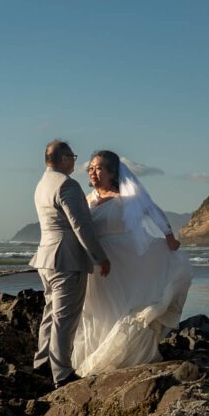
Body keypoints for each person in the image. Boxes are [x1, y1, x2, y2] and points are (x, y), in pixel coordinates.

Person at [71, 150, 193, 377]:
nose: (93, 173)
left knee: (119, 306)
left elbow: (155, 213)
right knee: (96, 310)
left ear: (112, 172)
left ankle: (122, 355)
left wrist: (170, 240)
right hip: (95, 262)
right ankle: (95, 355)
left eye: (99, 168)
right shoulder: (87, 200)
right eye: (90, 168)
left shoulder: (125, 199)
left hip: (121, 261)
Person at [30, 140, 111, 388]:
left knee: (51, 313)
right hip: (66, 258)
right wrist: (100, 257)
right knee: (65, 318)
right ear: (64, 159)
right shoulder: (68, 184)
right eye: (73, 157)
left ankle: (42, 363)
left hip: (46, 257)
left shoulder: (42, 184)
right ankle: (62, 374)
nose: (76, 162)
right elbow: (80, 226)